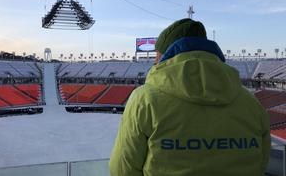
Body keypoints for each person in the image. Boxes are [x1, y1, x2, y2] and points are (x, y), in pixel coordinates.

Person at [109, 18, 270, 176]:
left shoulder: (144, 100)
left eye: (157, 58)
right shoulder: (252, 104)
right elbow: (261, 163)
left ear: (166, 55)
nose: (154, 63)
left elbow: (122, 169)